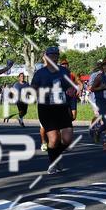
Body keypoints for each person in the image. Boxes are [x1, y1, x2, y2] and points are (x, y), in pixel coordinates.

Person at [31, 46, 74, 174]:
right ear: (46, 57)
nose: (54, 57)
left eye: (56, 55)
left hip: (62, 107)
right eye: (51, 55)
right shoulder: (40, 73)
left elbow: (69, 86)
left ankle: (56, 155)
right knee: (54, 139)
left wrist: (71, 90)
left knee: (67, 139)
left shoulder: (64, 71)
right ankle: (53, 163)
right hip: (46, 109)